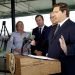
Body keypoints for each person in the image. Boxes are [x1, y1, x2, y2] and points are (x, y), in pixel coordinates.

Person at [48, 3, 75, 75]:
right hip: (52, 67)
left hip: (65, 69)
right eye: (53, 12)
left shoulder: (72, 26)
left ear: (64, 12)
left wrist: (67, 49)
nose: (53, 15)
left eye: (56, 12)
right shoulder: (54, 27)